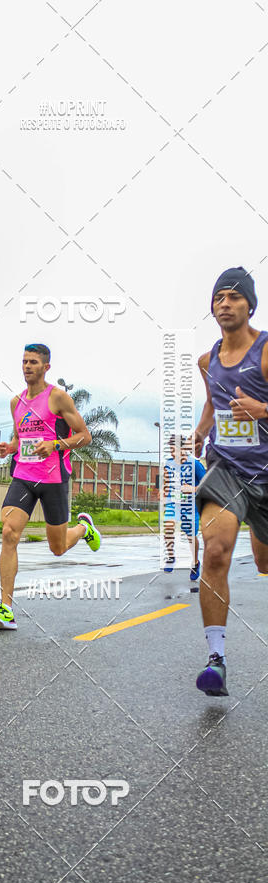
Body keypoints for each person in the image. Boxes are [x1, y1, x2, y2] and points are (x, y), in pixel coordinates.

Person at [0, 344, 101, 630]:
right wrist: (9, 448)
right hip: (24, 476)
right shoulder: (16, 402)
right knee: (9, 532)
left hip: (53, 478)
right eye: (24, 361)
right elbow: (19, 439)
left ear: (46, 367)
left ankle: (84, 529)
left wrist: (55, 445)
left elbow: (84, 436)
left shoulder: (57, 397)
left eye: (33, 362)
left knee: (57, 548)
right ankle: (6, 609)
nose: (27, 366)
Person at [194, 267, 268, 697]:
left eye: (234, 297)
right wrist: (200, 432)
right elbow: (212, 403)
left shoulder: (265, 352)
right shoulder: (208, 361)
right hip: (227, 469)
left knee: (264, 563)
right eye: (218, 297)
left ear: (250, 305)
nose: (225, 303)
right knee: (216, 550)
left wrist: (263, 409)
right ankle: (216, 660)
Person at [162, 434, 205, 580]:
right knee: (168, 526)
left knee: (191, 536)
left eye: (175, 450)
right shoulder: (168, 463)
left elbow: (207, 484)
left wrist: (192, 489)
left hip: (190, 505)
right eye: (171, 450)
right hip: (173, 503)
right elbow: (166, 482)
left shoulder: (195, 464)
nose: (173, 454)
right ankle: (171, 557)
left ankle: (195, 563)